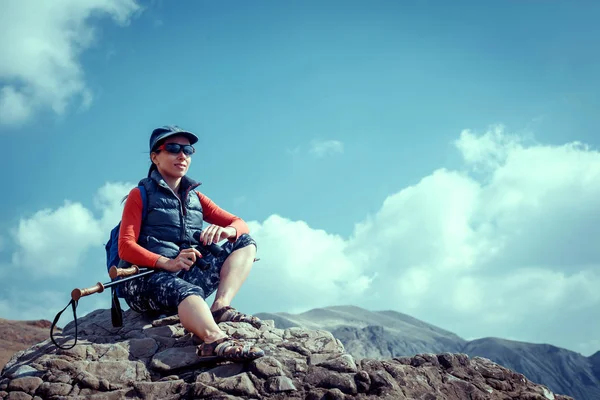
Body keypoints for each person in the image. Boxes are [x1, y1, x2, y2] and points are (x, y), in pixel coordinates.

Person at [117, 125, 265, 362]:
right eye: (173, 148)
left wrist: (226, 231)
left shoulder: (195, 196)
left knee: (244, 242)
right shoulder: (140, 194)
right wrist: (167, 263)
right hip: (145, 281)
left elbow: (241, 225)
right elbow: (125, 246)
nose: (182, 155)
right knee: (187, 290)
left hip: (182, 275)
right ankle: (214, 340)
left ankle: (220, 308)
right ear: (155, 157)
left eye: (188, 150)